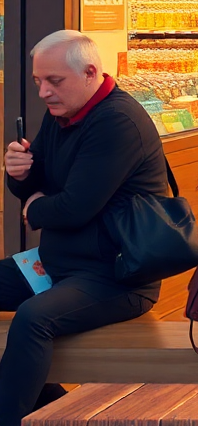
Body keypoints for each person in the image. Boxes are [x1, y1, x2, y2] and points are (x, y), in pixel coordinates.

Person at [1, 31, 170, 425]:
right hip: (60, 263)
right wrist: (18, 172)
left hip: (117, 276)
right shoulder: (63, 112)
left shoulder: (118, 121)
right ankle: (53, 408)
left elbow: (75, 207)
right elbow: (38, 185)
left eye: (54, 81)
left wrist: (37, 208)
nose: (43, 92)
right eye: (38, 81)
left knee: (33, 318)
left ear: (91, 72)